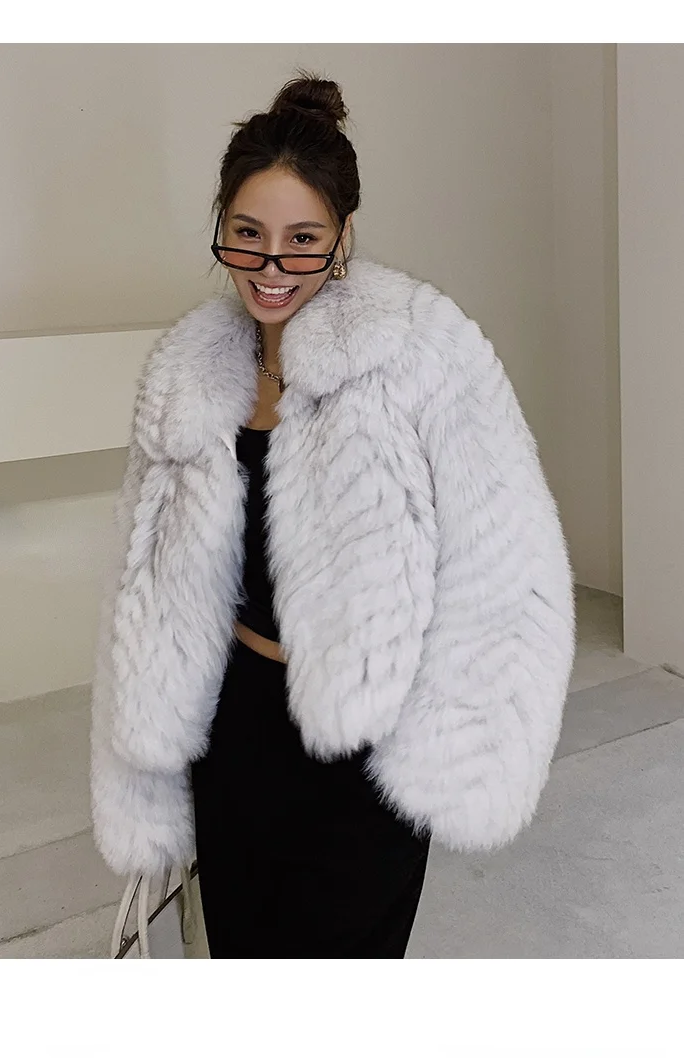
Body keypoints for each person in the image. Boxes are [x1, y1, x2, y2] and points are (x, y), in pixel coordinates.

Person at [90, 72, 576, 959]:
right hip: (233, 737)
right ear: (222, 228)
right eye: (248, 234)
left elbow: (507, 561)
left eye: (302, 239)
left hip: (363, 745)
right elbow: (140, 580)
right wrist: (147, 750)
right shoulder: (187, 376)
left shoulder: (423, 351)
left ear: (343, 237)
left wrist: (436, 750)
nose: (271, 267)